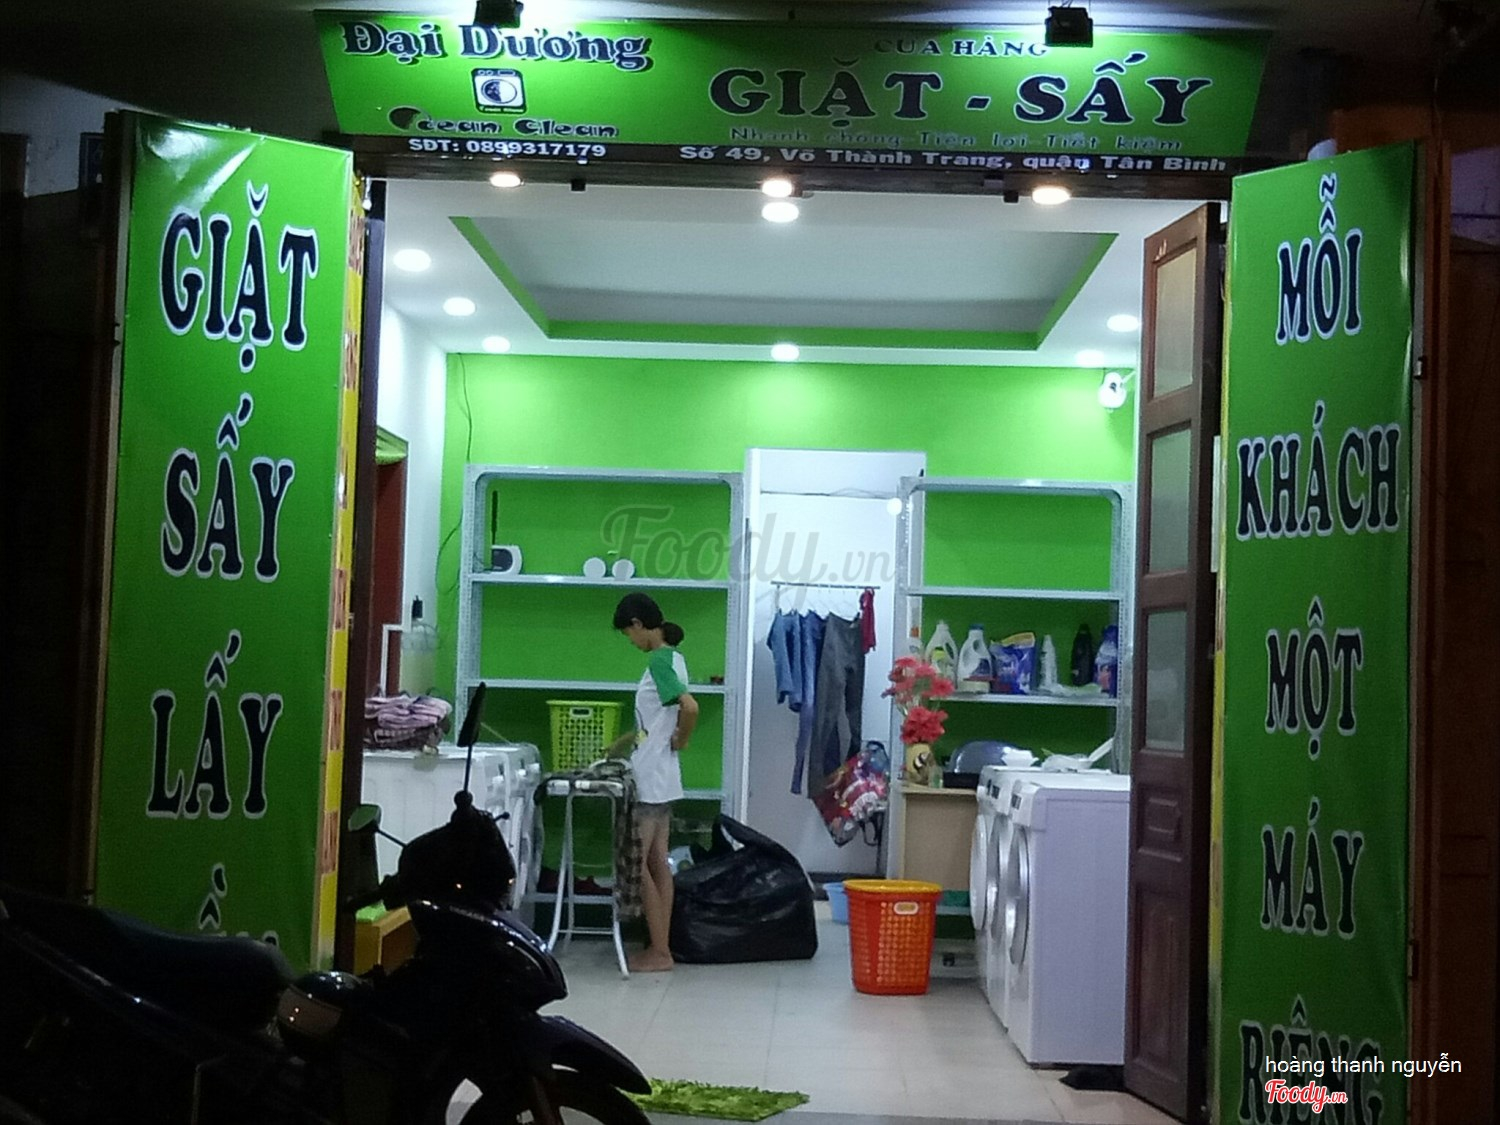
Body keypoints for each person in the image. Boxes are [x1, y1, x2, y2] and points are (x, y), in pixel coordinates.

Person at [608, 592, 698, 973]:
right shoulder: (675, 658)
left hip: (649, 777)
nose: (631, 641)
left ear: (637, 624)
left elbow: (689, 707)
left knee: (639, 863)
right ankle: (662, 947)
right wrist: (624, 741)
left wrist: (683, 738)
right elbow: (658, 721)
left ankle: (660, 952)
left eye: (629, 633)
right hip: (664, 773)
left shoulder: (659, 660)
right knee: (658, 861)